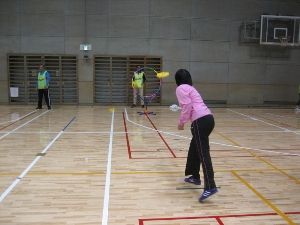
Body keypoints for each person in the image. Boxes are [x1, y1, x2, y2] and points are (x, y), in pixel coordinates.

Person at [175, 69, 217, 203]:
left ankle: (210, 186)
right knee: (194, 148)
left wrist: (181, 122)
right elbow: (190, 105)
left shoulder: (181, 88)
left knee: (203, 153)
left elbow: (187, 106)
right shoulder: (190, 88)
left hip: (200, 122)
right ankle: (195, 176)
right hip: (208, 119)